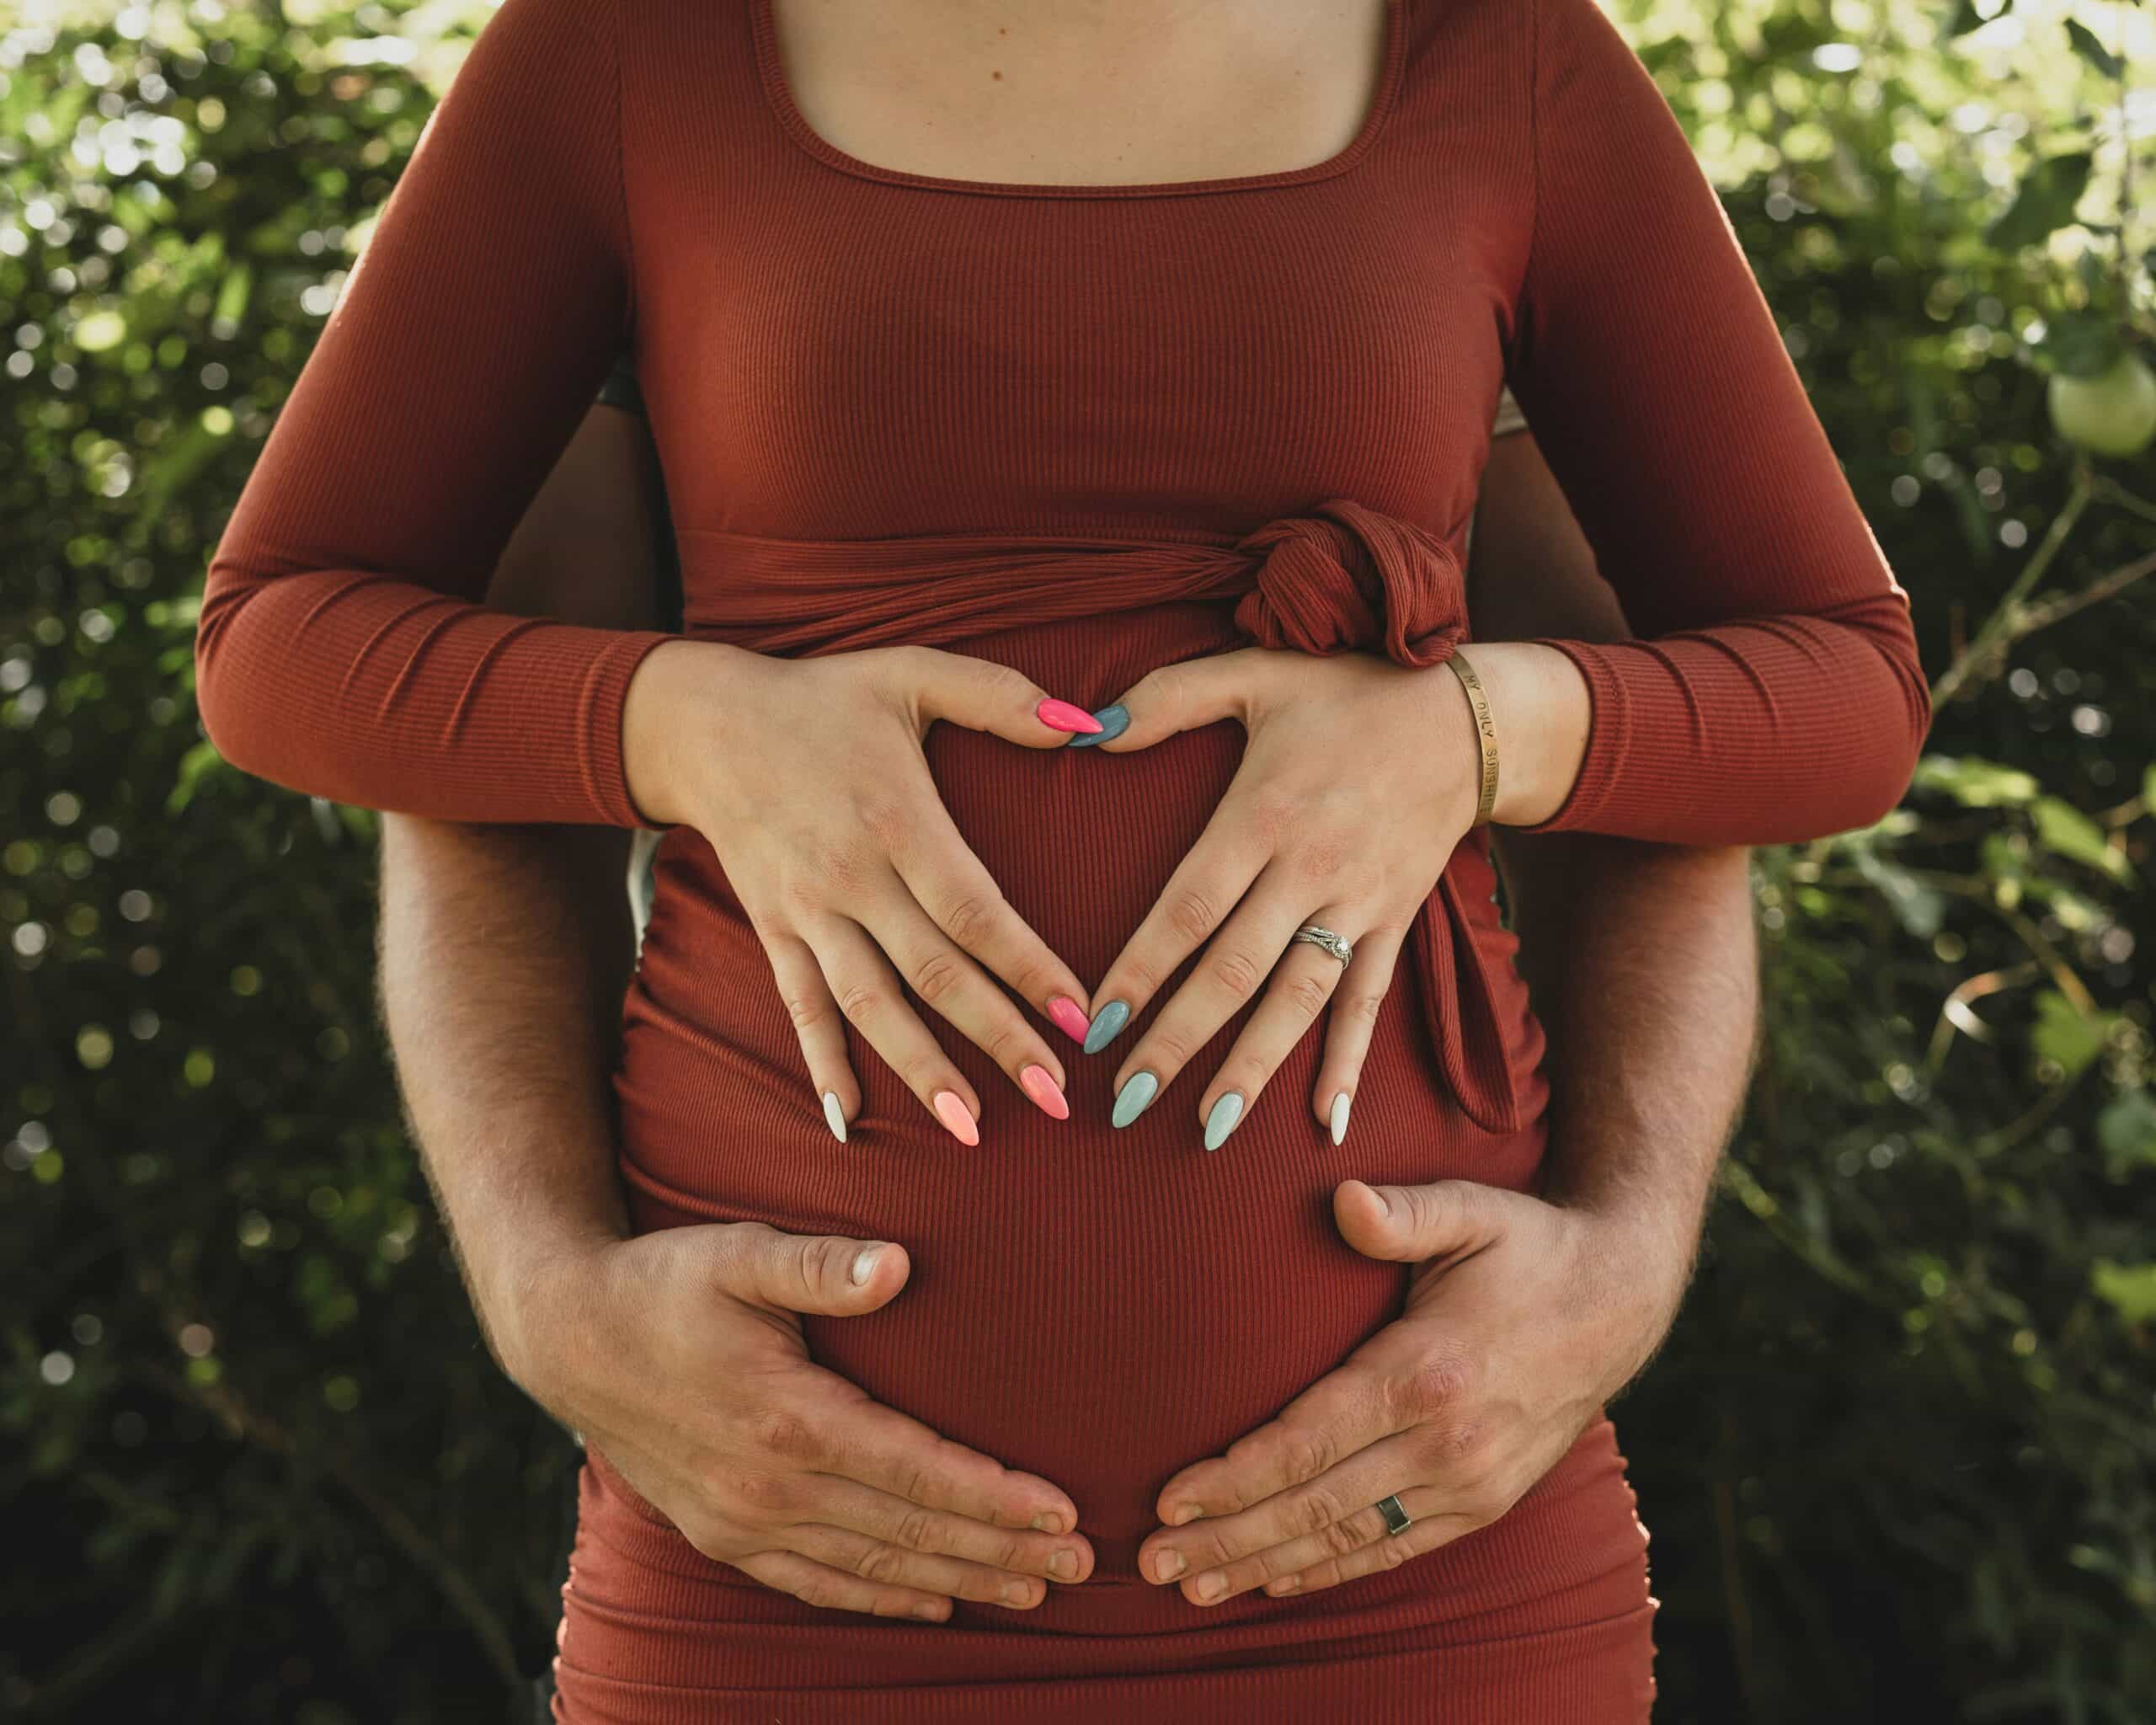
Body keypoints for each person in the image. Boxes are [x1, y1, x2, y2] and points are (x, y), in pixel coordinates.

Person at [194, 0, 1931, 1717]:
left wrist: (1476, 732)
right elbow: (282, 633)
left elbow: (1834, 681)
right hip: (784, 1567)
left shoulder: (1502, 59)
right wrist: (686, 724)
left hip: (1418, 1570)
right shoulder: (627, 53)